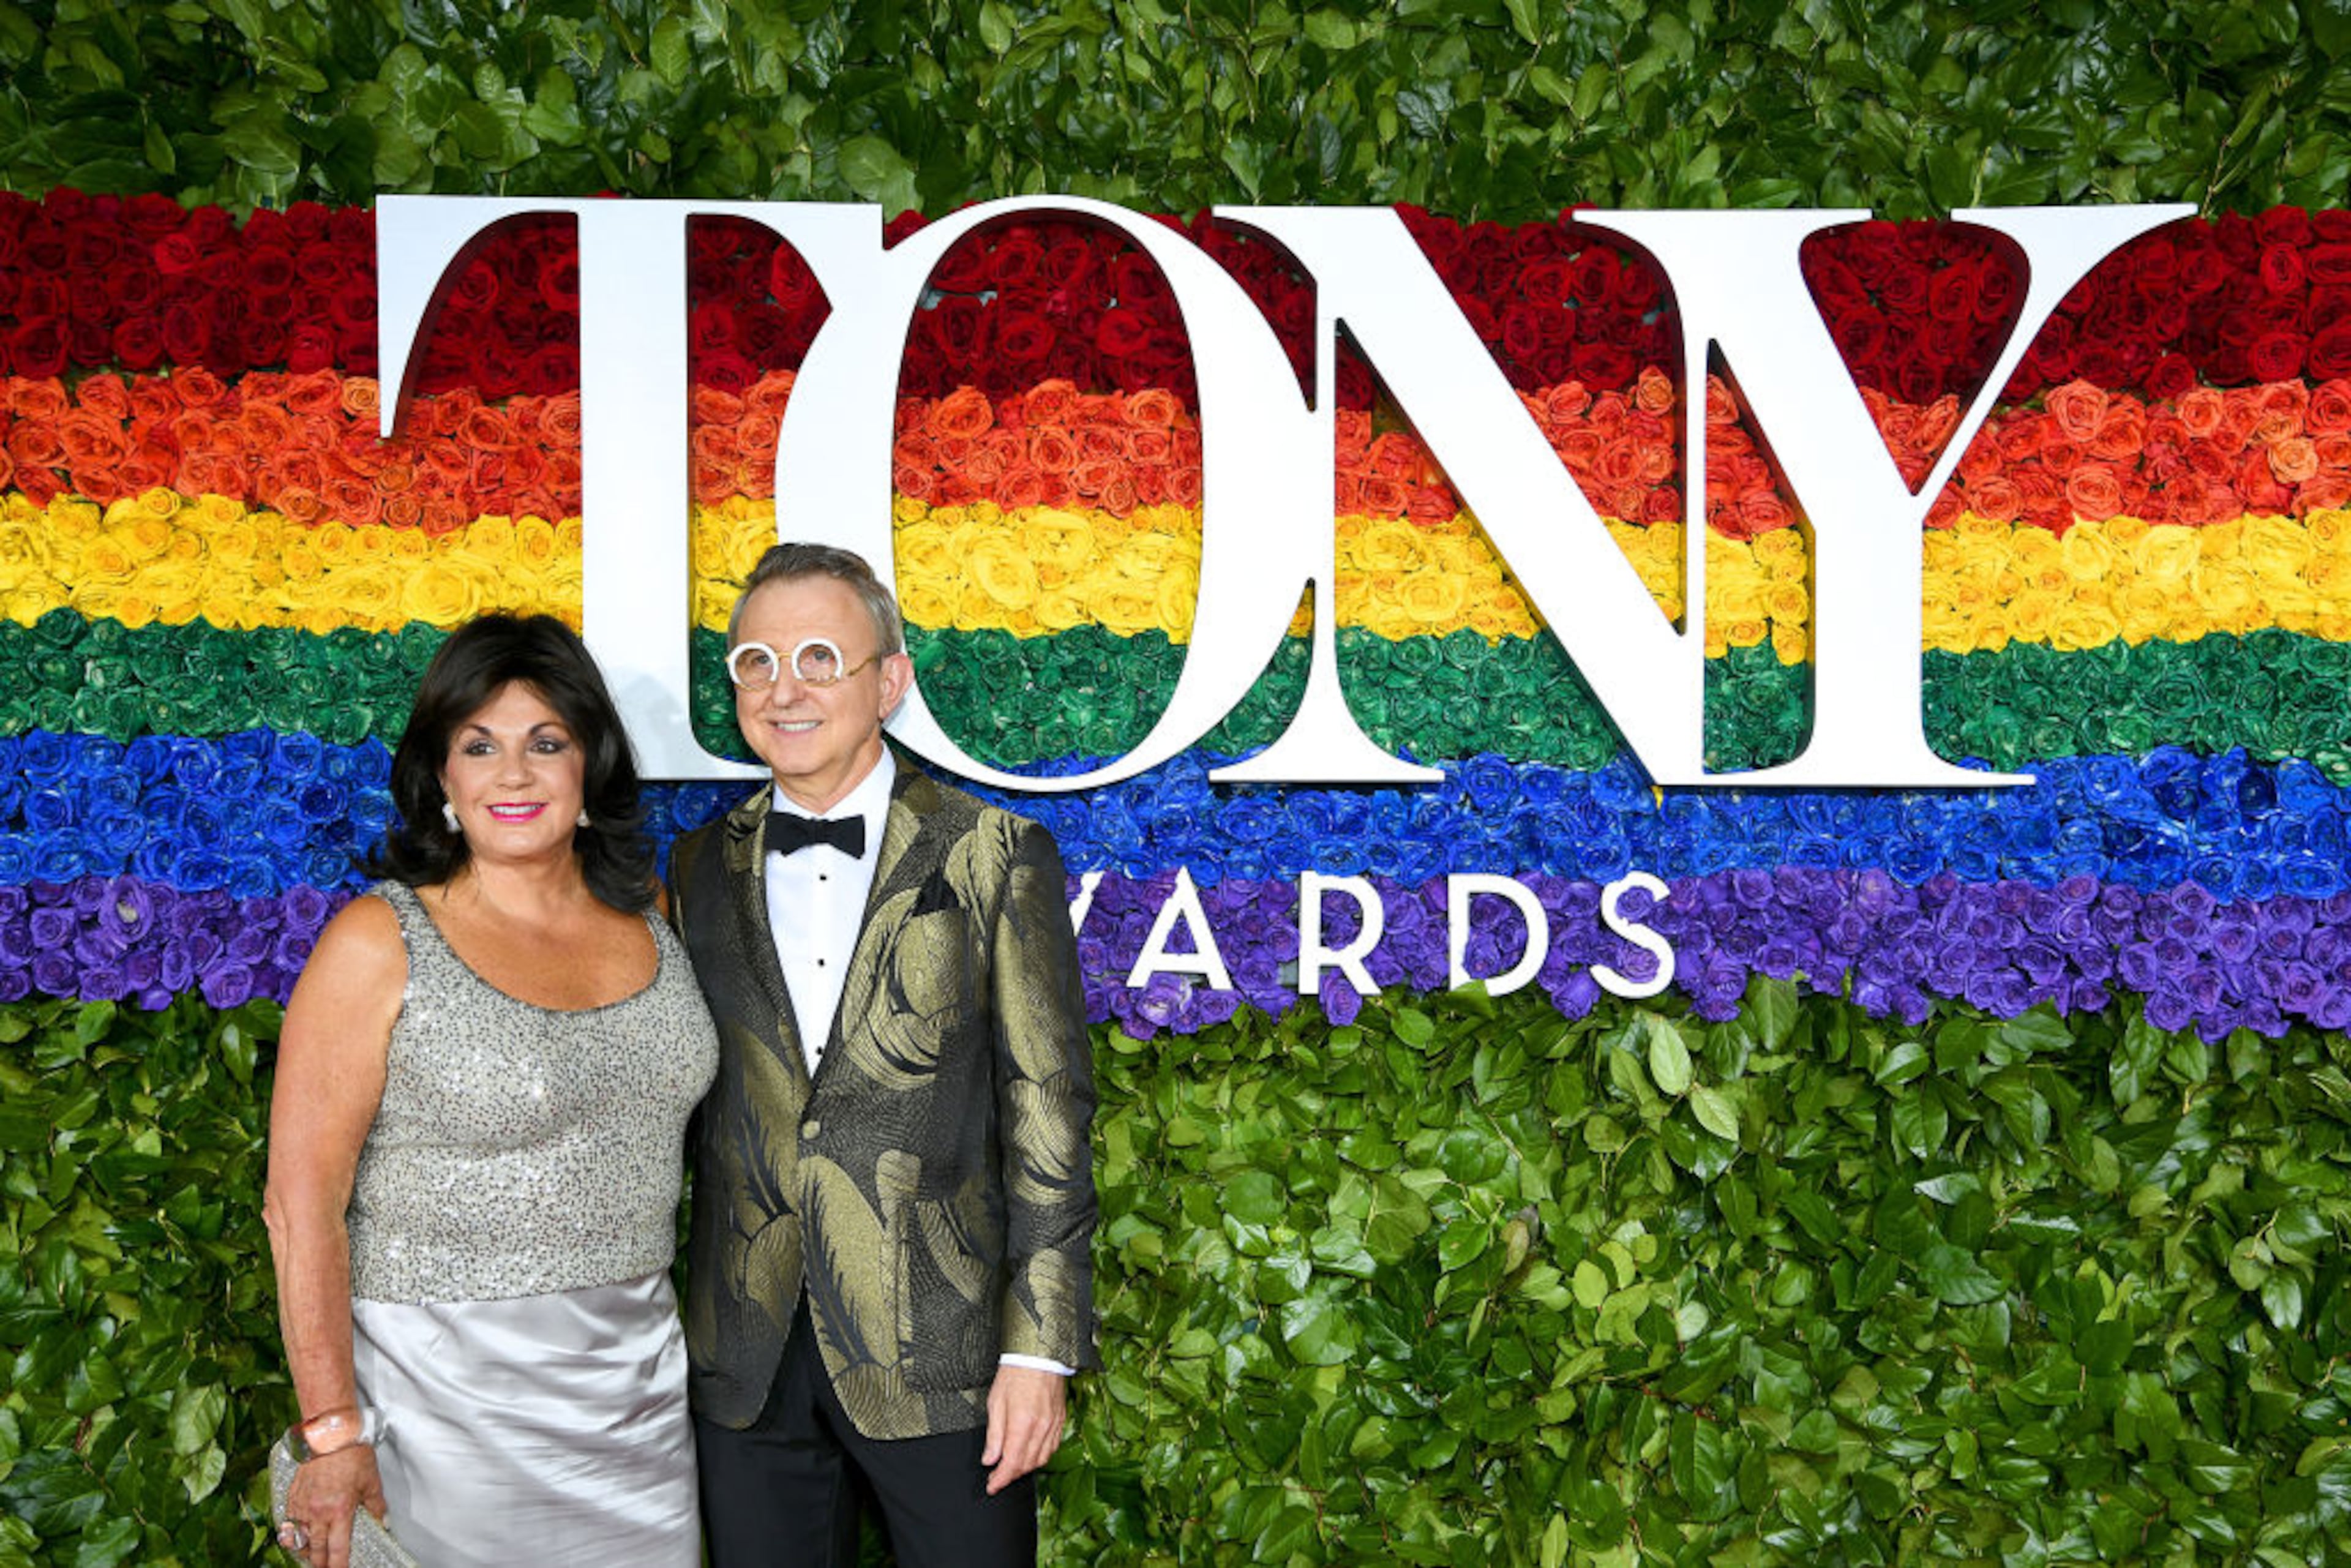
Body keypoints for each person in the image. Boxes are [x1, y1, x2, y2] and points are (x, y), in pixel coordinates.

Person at [668, 542, 1097, 1567]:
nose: (785, 688)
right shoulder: (694, 863)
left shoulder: (994, 851)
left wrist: (1038, 1347)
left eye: (821, 656)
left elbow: (1049, 1108)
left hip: (944, 1349)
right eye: (756, 664)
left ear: (889, 681)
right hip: (748, 1347)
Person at [263, 613, 718, 1568]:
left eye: (545, 743)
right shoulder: (377, 941)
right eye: (481, 745)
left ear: (588, 768)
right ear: (442, 780)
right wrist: (334, 1429)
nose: (514, 774)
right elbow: (301, 1205)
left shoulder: (656, 917)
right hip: (443, 1420)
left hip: (638, 1411)